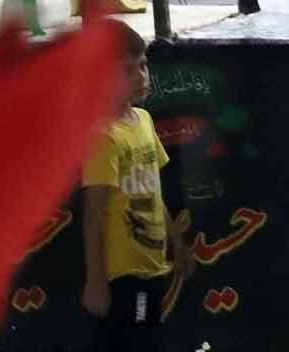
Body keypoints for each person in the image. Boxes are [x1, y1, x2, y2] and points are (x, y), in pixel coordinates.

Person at [81, 20, 195, 350]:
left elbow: (152, 192)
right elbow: (94, 214)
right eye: (129, 70)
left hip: (152, 266)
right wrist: (96, 280)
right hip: (124, 275)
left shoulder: (143, 121)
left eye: (144, 65)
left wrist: (177, 244)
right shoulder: (104, 137)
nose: (142, 76)